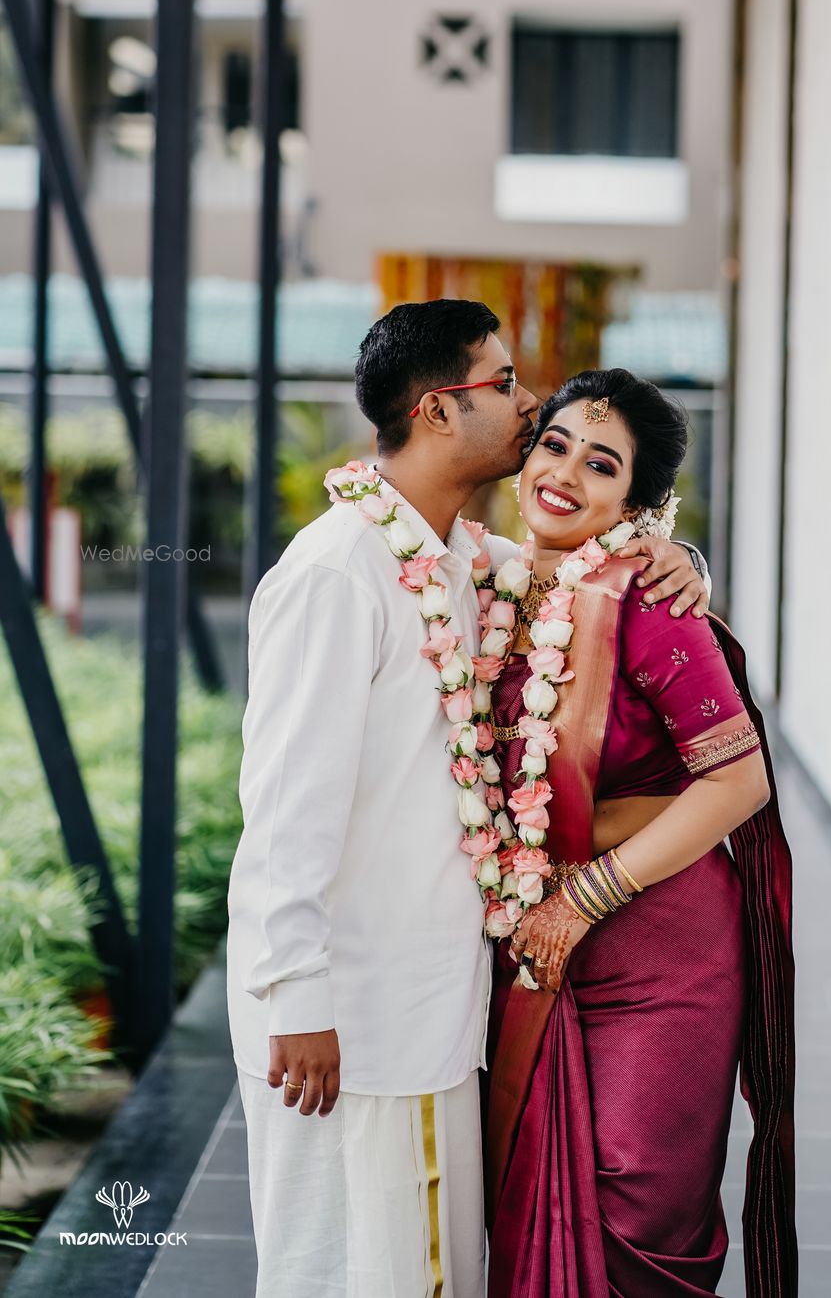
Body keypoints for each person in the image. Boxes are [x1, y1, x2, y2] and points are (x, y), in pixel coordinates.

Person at [225, 302, 711, 1298]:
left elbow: (576, 566)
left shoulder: (455, 559)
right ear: (440, 410)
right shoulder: (337, 574)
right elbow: (283, 811)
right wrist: (300, 999)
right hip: (349, 1019)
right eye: (503, 382)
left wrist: (678, 556)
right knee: (344, 1268)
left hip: (434, 1005)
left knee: (418, 1270)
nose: (529, 402)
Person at [484, 369, 796, 1298]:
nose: (568, 472)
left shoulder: (649, 599)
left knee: (632, 1212)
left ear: (639, 501)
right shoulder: (488, 585)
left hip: (662, 948)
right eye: (556, 444)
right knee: (534, 1197)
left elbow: (739, 780)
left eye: (602, 463)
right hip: (538, 948)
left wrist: (588, 894)